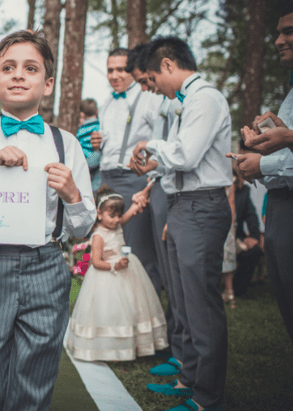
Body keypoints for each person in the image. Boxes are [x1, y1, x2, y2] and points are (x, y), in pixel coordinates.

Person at [0, 29, 96, 411]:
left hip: (47, 266)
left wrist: (72, 194)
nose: (18, 75)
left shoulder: (67, 144)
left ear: (47, 84)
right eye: (8, 68)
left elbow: (82, 226)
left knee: (34, 385)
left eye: (30, 69)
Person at [133, 36, 232, 411]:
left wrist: (150, 145)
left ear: (169, 65)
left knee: (201, 304)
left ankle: (206, 397)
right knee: (185, 301)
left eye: (154, 79)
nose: (154, 88)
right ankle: (188, 377)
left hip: (201, 206)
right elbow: (181, 160)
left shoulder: (204, 98)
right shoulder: (185, 102)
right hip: (183, 205)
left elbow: (187, 155)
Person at [234, 0, 293, 398]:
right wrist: (264, 145)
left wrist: (263, 165)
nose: (278, 39)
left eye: (290, 30)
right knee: (291, 305)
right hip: (280, 207)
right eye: (277, 31)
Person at [126, 43, 185, 377]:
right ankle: (178, 349)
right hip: (160, 185)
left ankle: (180, 352)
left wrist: (150, 159)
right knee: (170, 271)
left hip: (178, 192)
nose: (146, 88)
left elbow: (181, 154)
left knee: (175, 276)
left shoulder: (182, 102)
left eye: (146, 80)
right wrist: (150, 180)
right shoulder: (166, 101)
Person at [65, 185, 167, 361]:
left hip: (127, 272)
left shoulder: (117, 224)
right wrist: (114, 266)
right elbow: (95, 262)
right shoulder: (98, 236)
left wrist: (139, 201)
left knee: (132, 308)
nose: (116, 220)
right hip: (107, 276)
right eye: (111, 216)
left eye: (119, 216)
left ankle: (131, 344)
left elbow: (131, 213)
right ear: (99, 214)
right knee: (109, 311)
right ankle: (109, 348)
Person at [91, 48, 162, 295]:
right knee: (110, 247)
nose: (114, 75)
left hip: (134, 180)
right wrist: (98, 143)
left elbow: (160, 140)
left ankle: (147, 312)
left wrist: (149, 184)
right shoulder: (106, 102)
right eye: (110, 70)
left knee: (138, 250)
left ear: (132, 70)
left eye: (120, 69)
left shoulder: (150, 98)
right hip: (107, 179)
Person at [231, 165, 263, 298]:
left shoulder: (244, 191)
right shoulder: (219, 190)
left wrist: (254, 237)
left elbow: (251, 216)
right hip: (217, 236)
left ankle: (238, 288)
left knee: (255, 251)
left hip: (237, 237)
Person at [75, 98, 101, 191]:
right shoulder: (100, 126)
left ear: (82, 113)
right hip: (96, 157)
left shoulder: (80, 129)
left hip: (84, 159)